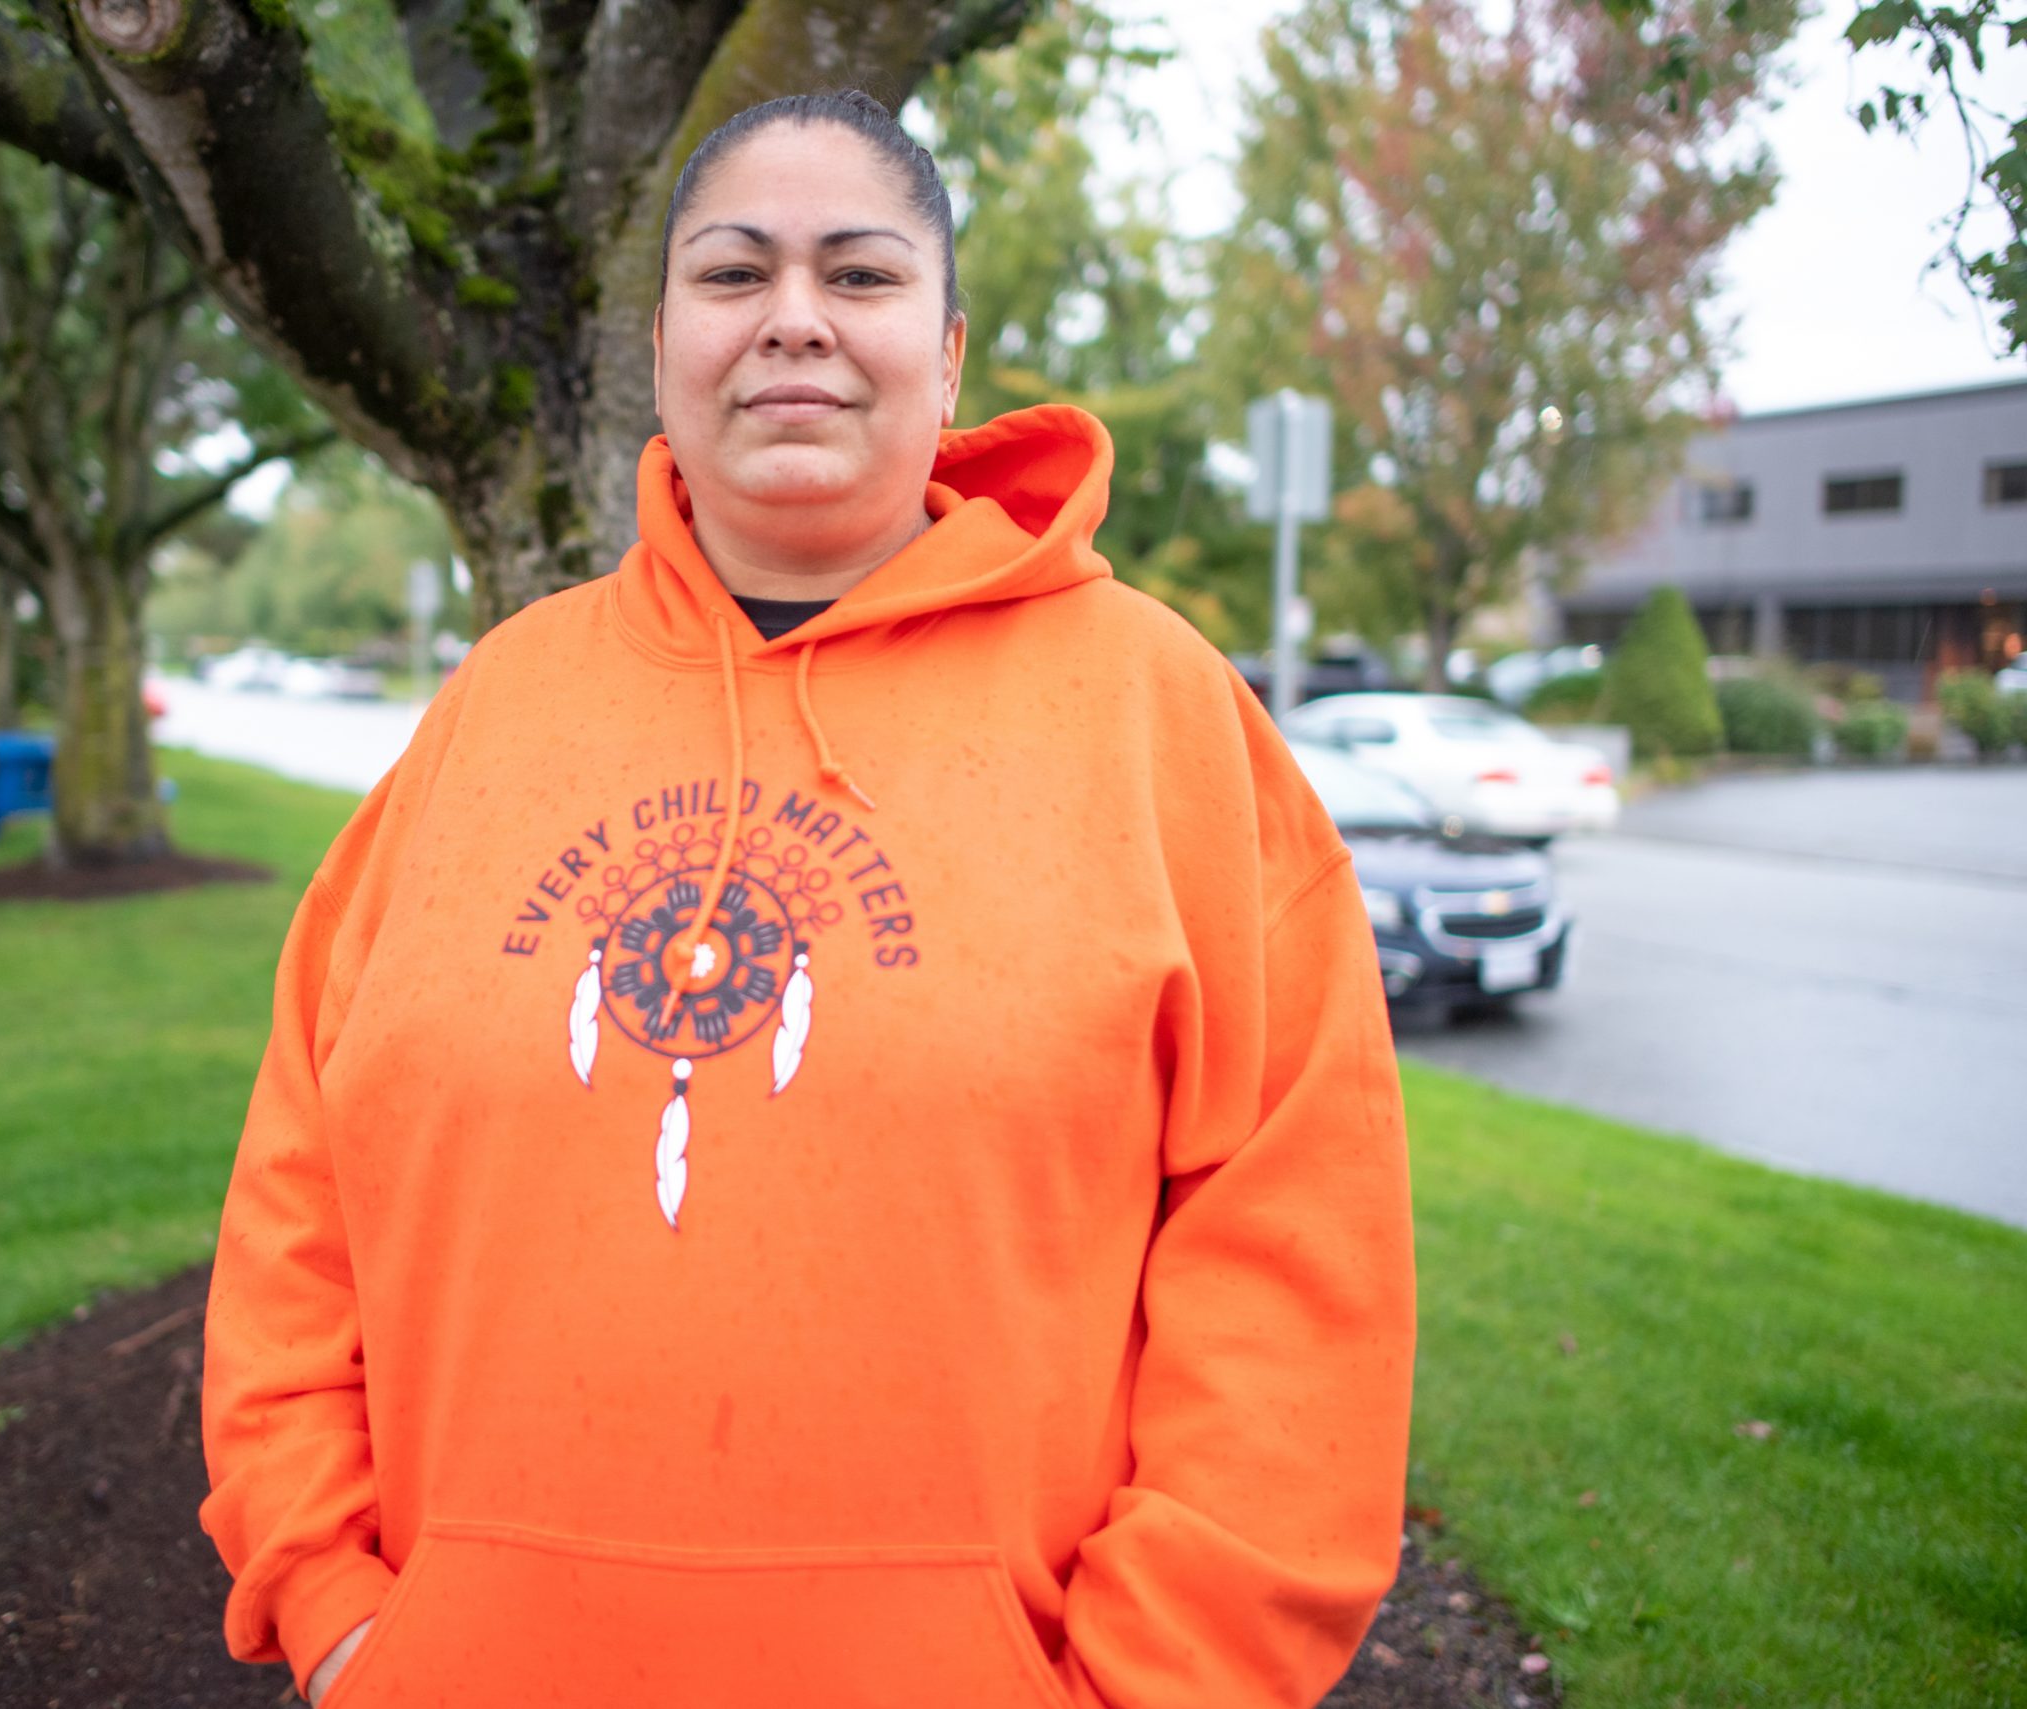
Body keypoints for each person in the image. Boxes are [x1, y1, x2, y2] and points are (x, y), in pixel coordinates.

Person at [199, 88, 1416, 1709]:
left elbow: (1295, 1262)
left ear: (953, 350)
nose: (793, 322)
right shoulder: (497, 705)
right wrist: (337, 1602)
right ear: (660, 347)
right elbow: (300, 1191)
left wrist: (1152, 1684)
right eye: (731, 273)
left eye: (858, 275)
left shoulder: (1160, 716)